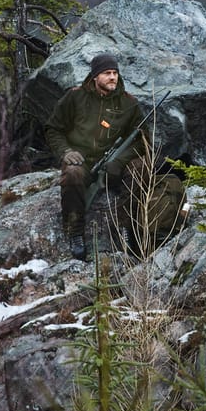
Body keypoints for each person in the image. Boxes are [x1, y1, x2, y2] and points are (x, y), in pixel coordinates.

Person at [45, 52, 146, 260]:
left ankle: (127, 230)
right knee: (72, 173)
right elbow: (53, 129)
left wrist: (119, 161)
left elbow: (141, 140)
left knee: (140, 168)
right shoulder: (74, 97)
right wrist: (66, 151)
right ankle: (75, 232)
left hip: (116, 162)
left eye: (115, 73)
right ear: (95, 77)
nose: (113, 78)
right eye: (107, 73)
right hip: (84, 161)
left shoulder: (129, 104)